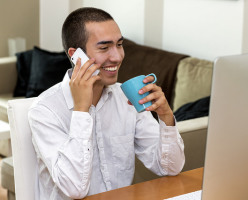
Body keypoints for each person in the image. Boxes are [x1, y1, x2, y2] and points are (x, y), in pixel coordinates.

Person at [28, 7, 185, 199]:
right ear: (75, 55)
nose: (118, 57)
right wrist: (81, 111)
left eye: (119, 44)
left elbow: (170, 168)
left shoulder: (126, 98)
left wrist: (166, 117)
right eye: (104, 48)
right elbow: (75, 189)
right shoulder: (45, 110)